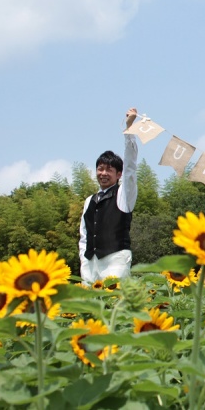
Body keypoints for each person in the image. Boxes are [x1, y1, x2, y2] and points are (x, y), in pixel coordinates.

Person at [79, 108, 139, 284]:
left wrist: (129, 130)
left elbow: (130, 168)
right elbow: (84, 236)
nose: (103, 173)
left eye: (109, 170)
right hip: (90, 265)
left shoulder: (123, 195)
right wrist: (84, 260)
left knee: (115, 307)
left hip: (116, 262)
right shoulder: (89, 201)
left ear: (118, 174)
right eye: (100, 169)